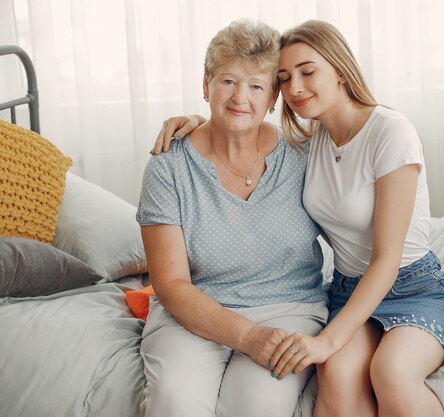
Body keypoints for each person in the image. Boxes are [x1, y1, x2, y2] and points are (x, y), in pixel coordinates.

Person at [150, 20, 444, 417]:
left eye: (306, 72)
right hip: (348, 291)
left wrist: (430, 268)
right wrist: (197, 122)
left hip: (398, 289)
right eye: (285, 78)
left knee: (390, 373)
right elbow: (233, 125)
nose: (295, 87)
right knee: (335, 375)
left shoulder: (376, 135)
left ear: (339, 70)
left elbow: (390, 252)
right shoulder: (312, 143)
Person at [136, 20, 329, 417]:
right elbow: (170, 284)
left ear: (274, 97)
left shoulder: (303, 154)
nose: (241, 97)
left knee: (258, 404)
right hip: (192, 315)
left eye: (256, 86)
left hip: (289, 309)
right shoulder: (168, 166)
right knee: (173, 399)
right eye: (228, 81)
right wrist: (247, 336)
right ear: (206, 84)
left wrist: (418, 268)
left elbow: (358, 226)